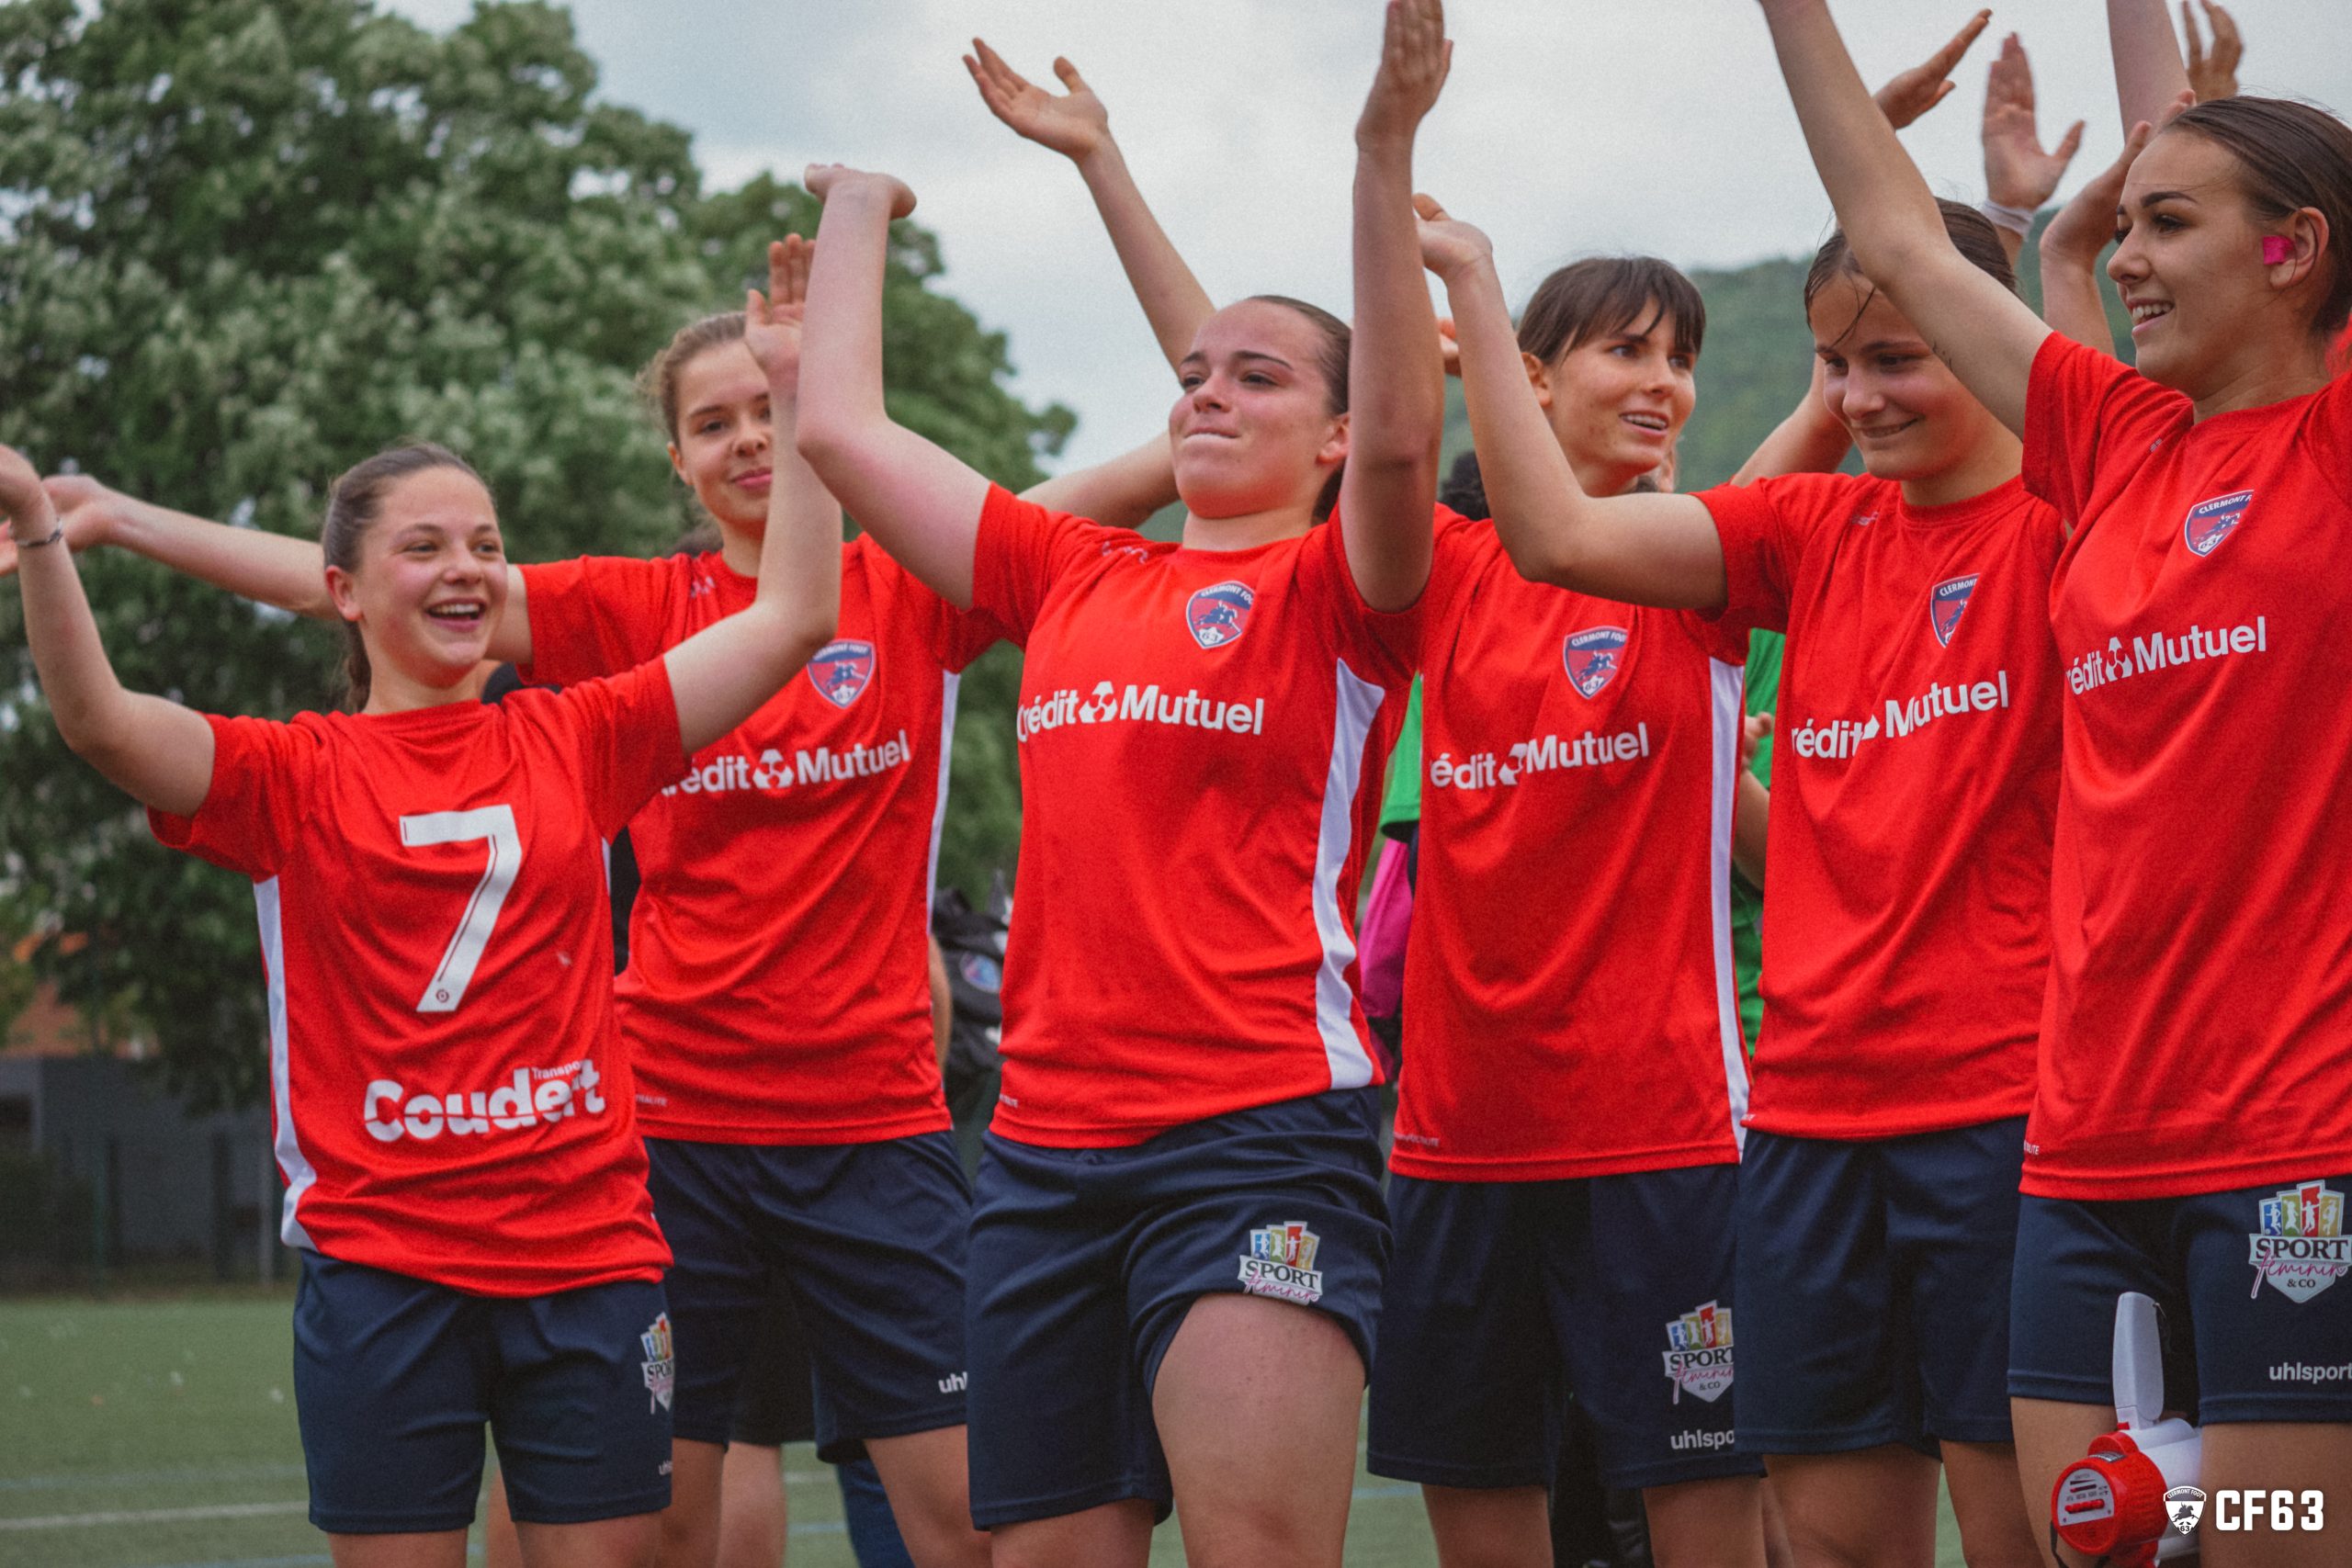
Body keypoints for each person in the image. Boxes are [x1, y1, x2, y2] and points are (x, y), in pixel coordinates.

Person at [28, 247, 1177, 1568]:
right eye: (715, 420)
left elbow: (1164, 466)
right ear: (676, 465)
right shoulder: (624, 622)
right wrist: (106, 521)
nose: (752, 435)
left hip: (864, 1125)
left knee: (967, 1516)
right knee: (668, 1521)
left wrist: (1279, 395)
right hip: (669, 1125)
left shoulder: (899, 588)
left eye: (771, 407)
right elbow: (346, 588)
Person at [0, 243, 836, 1567]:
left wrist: (804, 393)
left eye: (489, 547)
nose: (468, 570)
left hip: (588, 1263)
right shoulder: (288, 772)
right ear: (341, 589)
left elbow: (793, 612)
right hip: (386, 1268)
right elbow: (100, 724)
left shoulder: (584, 733)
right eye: (426, 546)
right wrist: (45, 533)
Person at [1419, 27, 2093, 1562]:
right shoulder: (1807, 537)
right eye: (1834, 365)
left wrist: (2030, 221)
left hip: (2002, 1103)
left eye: (1895, 357)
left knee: (2035, 1525)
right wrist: (1463, 277)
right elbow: (1562, 541)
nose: (1854, 396)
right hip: (1802, 1118)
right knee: (1833, 1531)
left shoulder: (2074, 520)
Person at [791, 6, 1452, 1562]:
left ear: (1336, 439)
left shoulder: (1345, 591)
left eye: (1259, 377)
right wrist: (857, 207)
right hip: (1037, 1152)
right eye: (1194, 373)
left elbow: (1413, 446)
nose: (1208, 392)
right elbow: (837, 426)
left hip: (1255, 1134)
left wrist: (1380, 150)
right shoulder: (1068, 568)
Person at [1755, 3, 2352, 1562]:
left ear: (2297, 252)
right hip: (2081, 1151)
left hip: (2297, 1137)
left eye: (2167, 223)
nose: (2123, 254)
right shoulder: (2111, 447)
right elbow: (1896, 228)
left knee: (2270, 1536)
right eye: (2123, 225)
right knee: (2092, 1542)